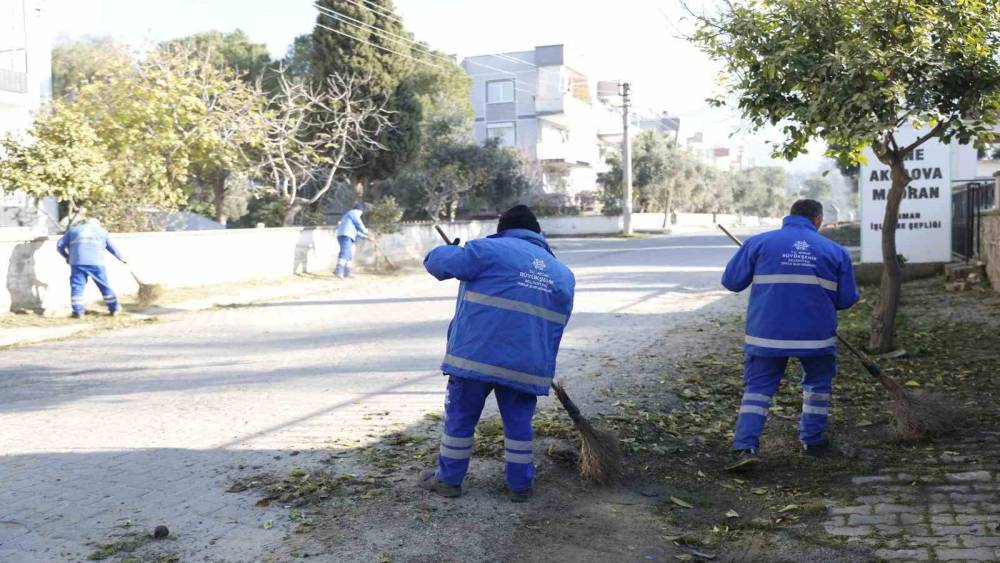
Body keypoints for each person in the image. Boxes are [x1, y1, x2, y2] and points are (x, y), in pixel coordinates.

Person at [418, 205, 575, 502]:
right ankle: (520, 486)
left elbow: (438, 264)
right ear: (537, 233)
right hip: (526, 365)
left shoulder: (486, 250)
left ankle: (449, 480)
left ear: (503, 229)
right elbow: (556, 327)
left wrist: (448, 250)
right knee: (519, 423)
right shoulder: (563, 274)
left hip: (475, 358)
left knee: (460, 419)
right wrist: (540, 367)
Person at [720, 199, 859, 471]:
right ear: (818, 219)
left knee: (757, 390)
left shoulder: (759, 243)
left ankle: (744, 448)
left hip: (766, 336)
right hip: (816, 336)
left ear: (790, 215)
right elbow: (846, 299)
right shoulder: (835, 251)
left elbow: (732, 282)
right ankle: (813, 441)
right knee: (818, 386)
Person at [56, 218, 126, 319]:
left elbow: (59, 245)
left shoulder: (74, 230)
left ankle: (78, 312)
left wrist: (66, 256)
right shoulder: (102, 232)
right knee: (103, 285)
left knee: (77, 286)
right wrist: (122, 258)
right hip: (96, 262)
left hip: (77, 262)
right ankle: (114, 309)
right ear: (97, 224)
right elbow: (112, 248)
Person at [334, 202, 368, 278]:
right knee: (345, 252)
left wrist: (365, 237)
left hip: (347, 235)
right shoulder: (353, 213)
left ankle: (347, 272)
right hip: (346, 235)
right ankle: (338, 270)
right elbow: (359, 224)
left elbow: (356, 231)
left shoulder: (348, 216)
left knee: (349, 254)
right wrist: (366, 232)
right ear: (359, 210)